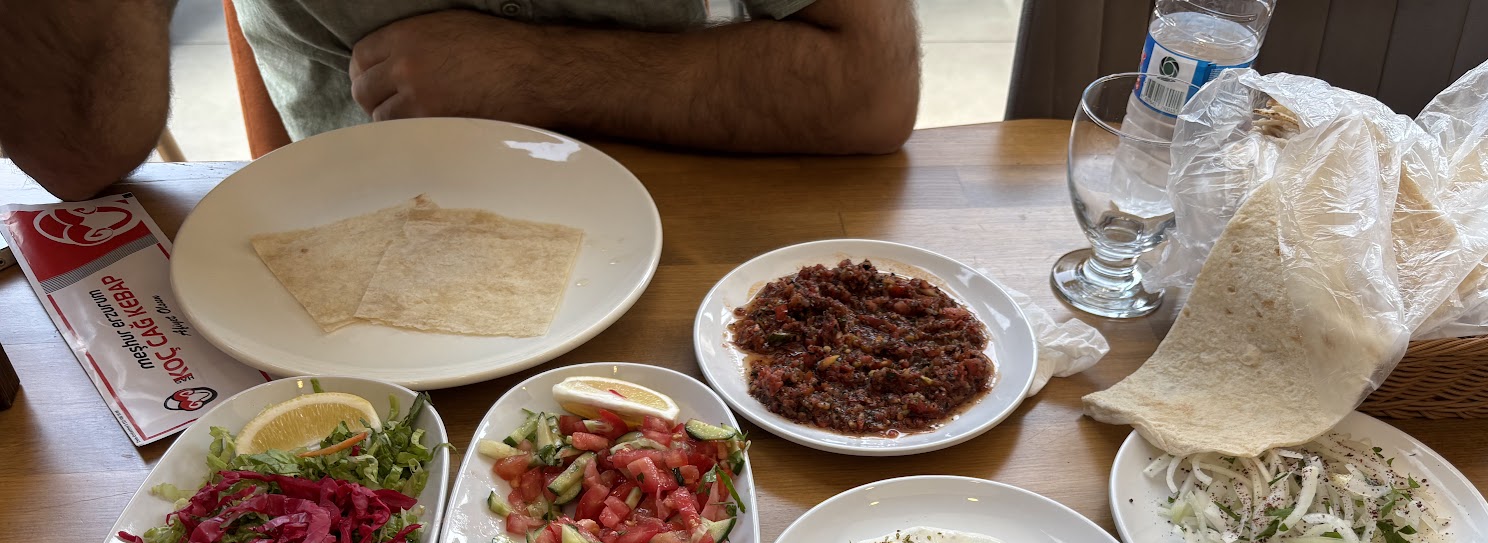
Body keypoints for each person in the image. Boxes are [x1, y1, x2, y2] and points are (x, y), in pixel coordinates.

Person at [1, 0, 920, 202]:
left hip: (687, 260)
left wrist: (534, 69)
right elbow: (80, 142)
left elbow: (872, 90)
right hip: (355, 268)